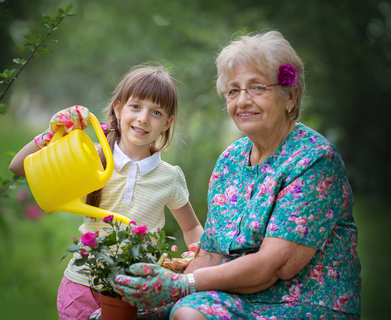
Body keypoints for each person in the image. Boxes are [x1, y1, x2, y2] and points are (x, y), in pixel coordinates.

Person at [112, 31, 362, 319]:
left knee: (188, 312)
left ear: (290, 97)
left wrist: (181, 285)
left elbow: (273, 266)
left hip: (303, 305)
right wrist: (158, 296)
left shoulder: (315, 159)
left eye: (256, 88)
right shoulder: (230, 160)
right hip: (234, 295)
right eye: (233, 91)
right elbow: (210, 255)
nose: (242, 101)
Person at [9, 65, 204, 320]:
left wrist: (198, 253)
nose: (144, 118)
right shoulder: (93, 158)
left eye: (155, 112)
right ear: (118, 108)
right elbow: (18, 166)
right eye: (136, 106)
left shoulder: (169, 177)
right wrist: (52, 132)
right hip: (81, 286)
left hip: (134, 291)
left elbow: (191, 228)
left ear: (167, 123)